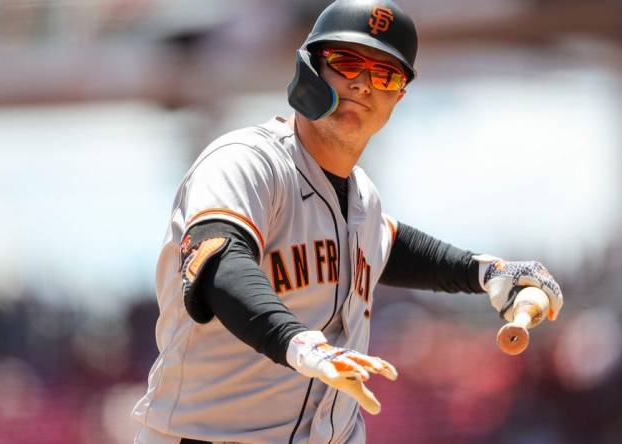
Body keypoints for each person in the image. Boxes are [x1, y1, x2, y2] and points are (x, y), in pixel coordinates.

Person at [131, 1, 564, 443]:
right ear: (310, 68)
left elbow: (385, 245)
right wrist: (298, 342)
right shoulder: (246, 162)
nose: (361, 84)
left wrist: (488, 272)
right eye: (346, 62)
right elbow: (218, 261)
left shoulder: (362, 198)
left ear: (398, 96)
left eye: (385, 74)